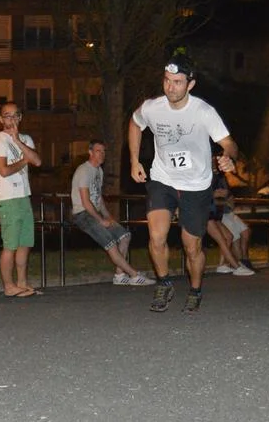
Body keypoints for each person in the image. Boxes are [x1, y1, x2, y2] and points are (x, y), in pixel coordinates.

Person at [128, 53, 239, 314]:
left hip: (196, 186)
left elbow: (229, 143)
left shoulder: (203, 112)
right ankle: (164, 283)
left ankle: (195, 289)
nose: (170, 87)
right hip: (163, 179)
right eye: (167, 80)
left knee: (192, 247)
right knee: (156, 236)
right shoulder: (152, 107)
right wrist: (134, 160)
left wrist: (229, 157)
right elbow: (134, 124)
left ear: (191, 84)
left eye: (177, 82)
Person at [69, 140, 154, 286]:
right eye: (98, 151)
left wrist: (108, 216)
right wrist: (100, 220)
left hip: (94, 212)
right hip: (83, 214)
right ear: (90, 152)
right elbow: (86, 202)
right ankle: (134, 275)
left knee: (125, 236)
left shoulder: (99, 171)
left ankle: (119, 275)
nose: (102, 154)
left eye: (104, 151)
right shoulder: (84, 171)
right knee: (111, 243)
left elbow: (98, 197)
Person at [0, 102, 43, 297]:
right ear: (1, 119)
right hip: (8, 199)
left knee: (25, 243)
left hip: (23, 197)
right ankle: (9, 286)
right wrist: (23, 160)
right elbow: (4, 171)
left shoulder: (26, 139)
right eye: (7, 115)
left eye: (15, 115)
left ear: (20, 117)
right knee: (10, 245)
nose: (11, 119)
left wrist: (18, 142)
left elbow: (37, 161)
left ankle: (21, 282)